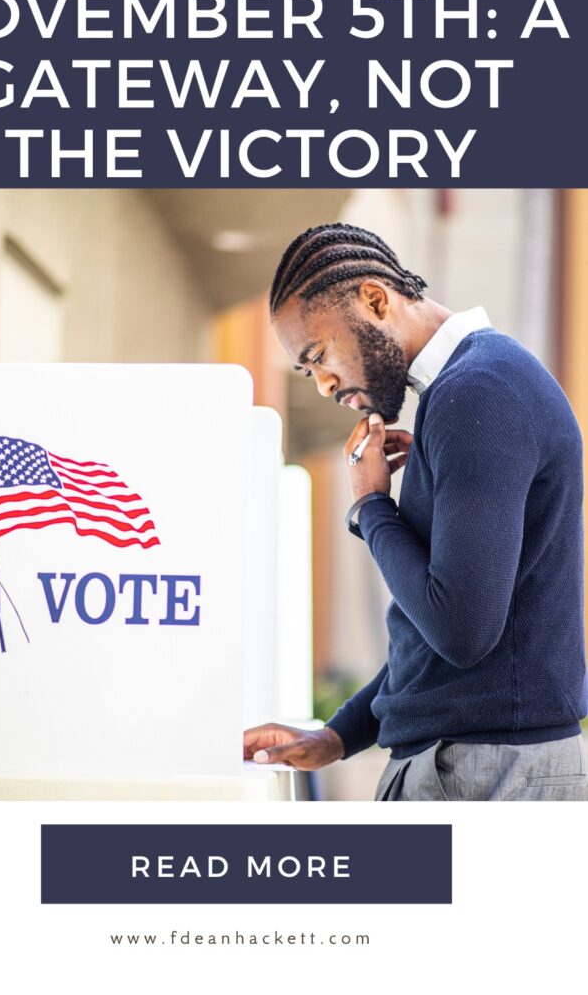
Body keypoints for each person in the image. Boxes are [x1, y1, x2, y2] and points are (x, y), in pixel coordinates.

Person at [243, 223, 588, 800]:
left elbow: (461, 630)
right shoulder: (473, 387)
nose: (325, 385)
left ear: (375, 300)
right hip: (482, 763)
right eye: (308, 371)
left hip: (483, 773)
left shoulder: (476, 392)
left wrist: (371, 506)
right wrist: (337, 736)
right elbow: (442, 643)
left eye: (319, 355)